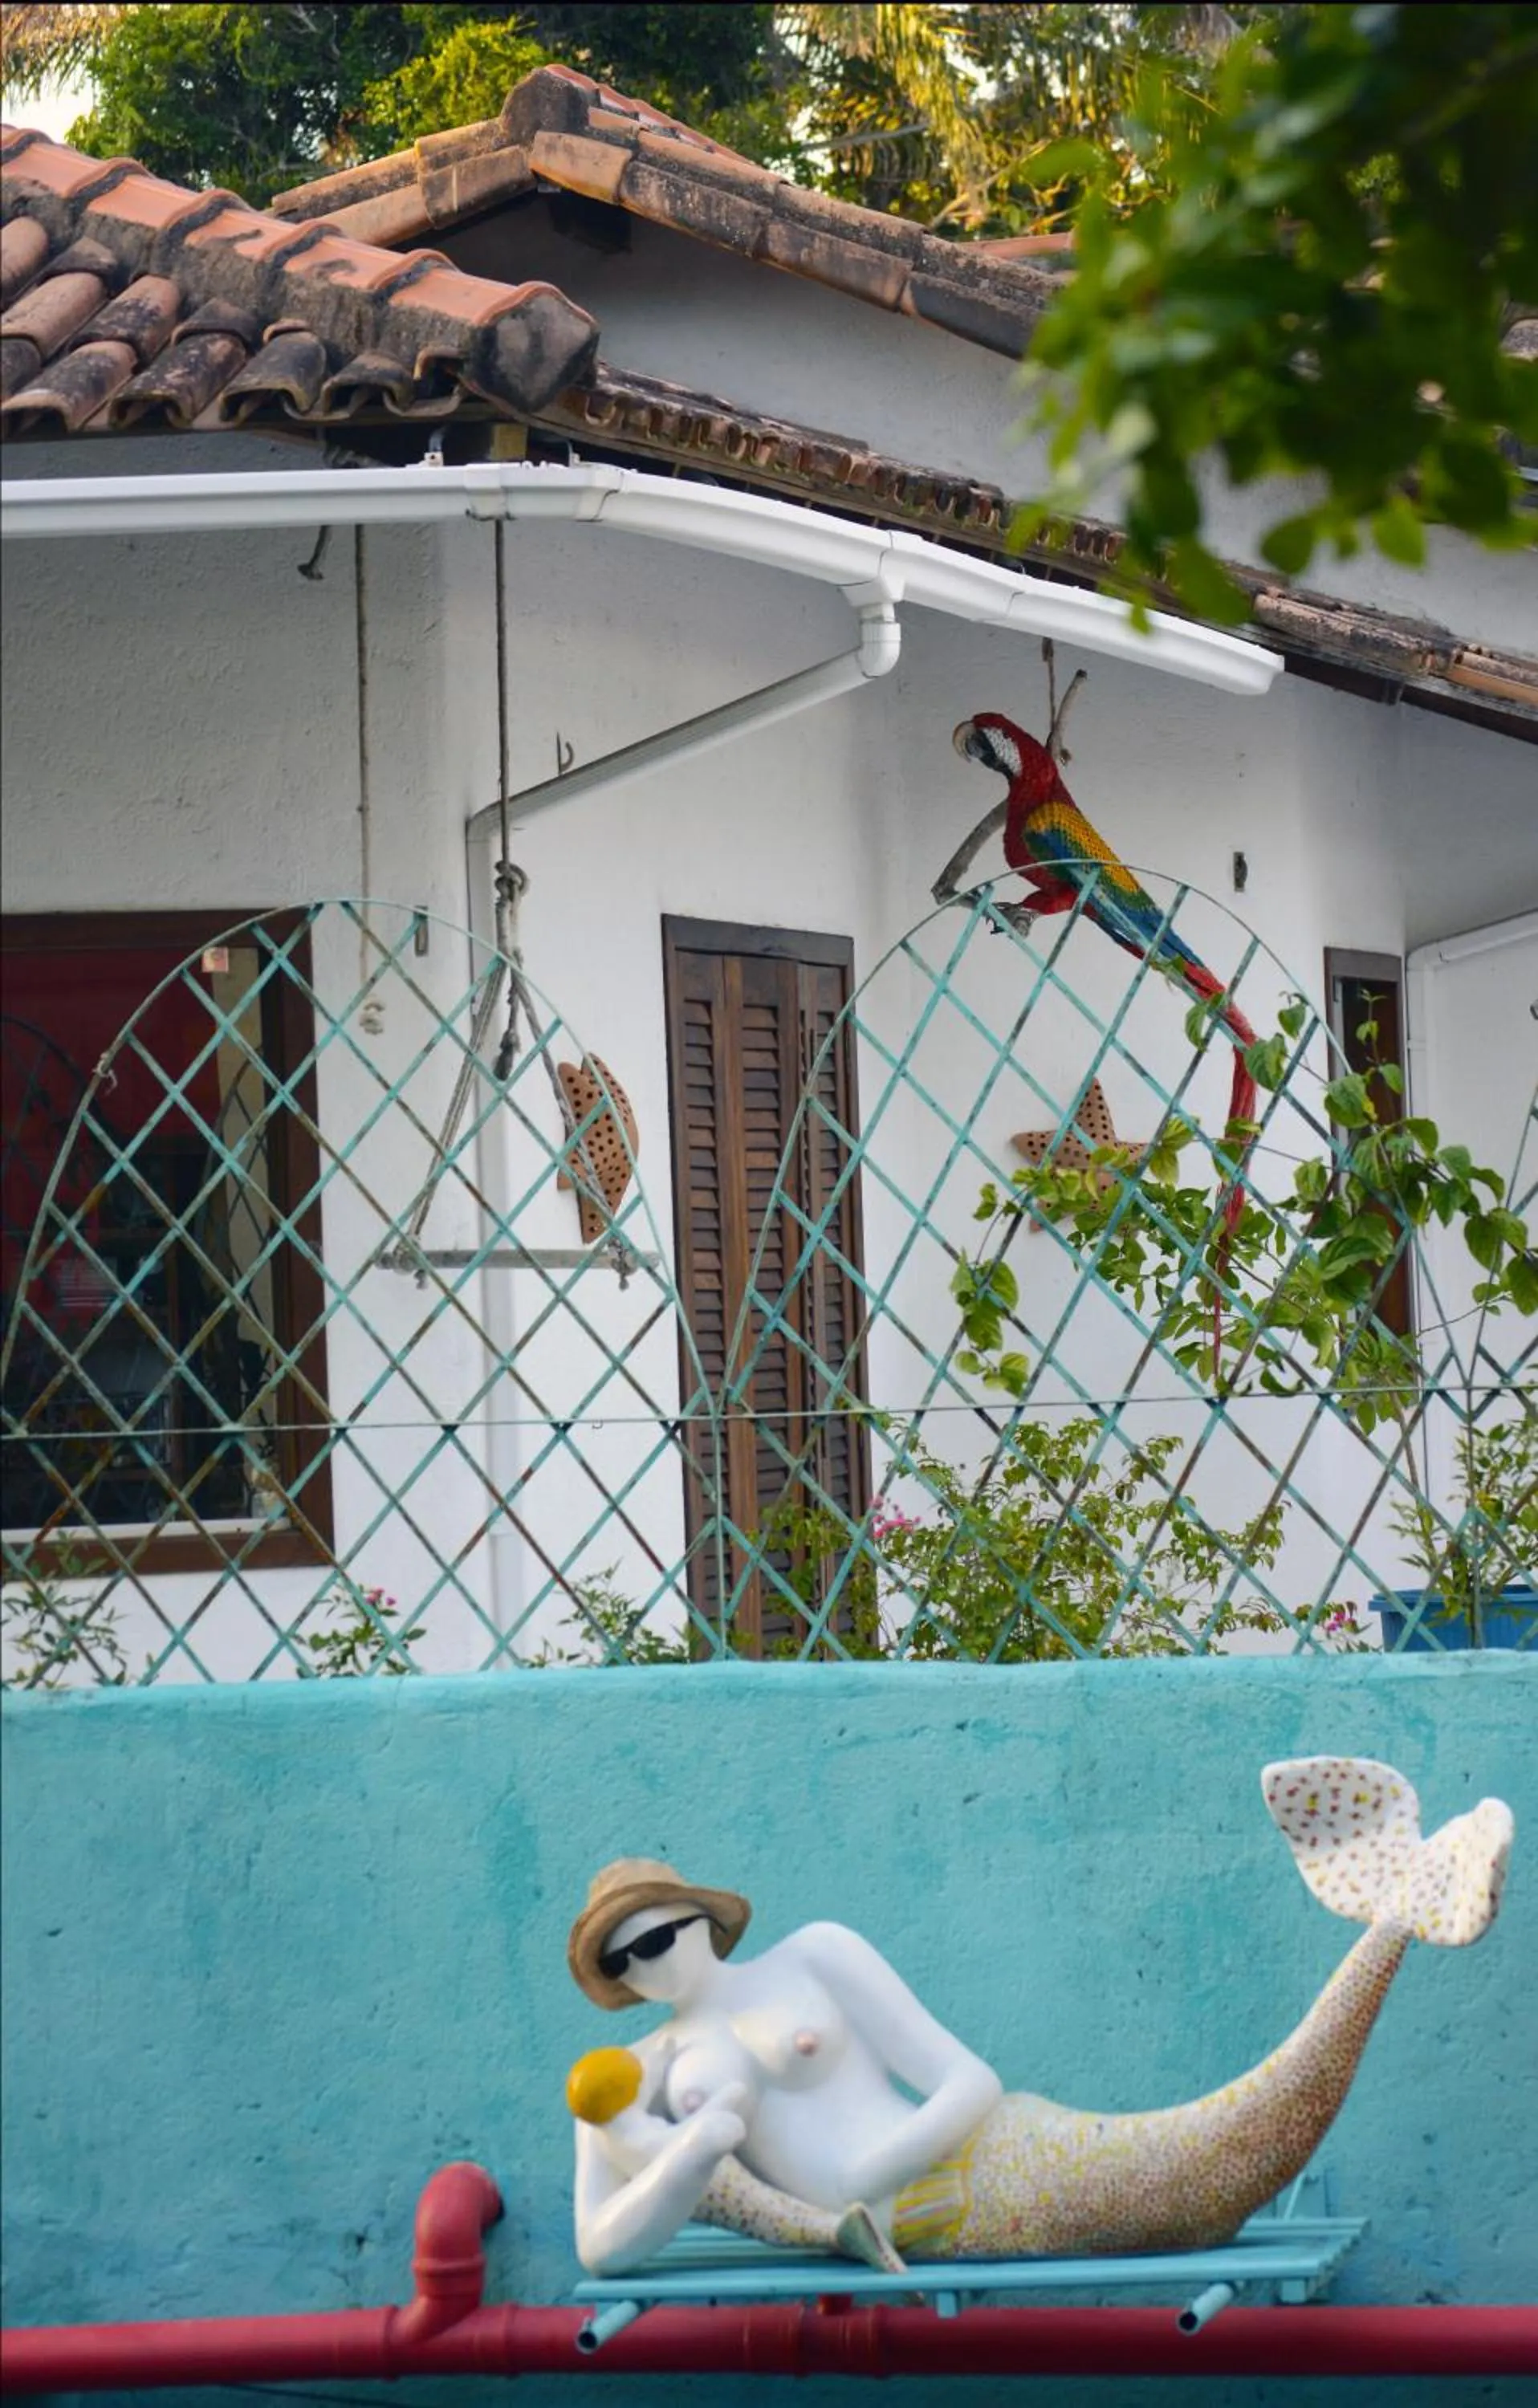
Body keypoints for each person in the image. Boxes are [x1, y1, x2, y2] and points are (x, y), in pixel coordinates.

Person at [567, 1759, 1512, 2276]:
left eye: (657, 1935)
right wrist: (690, 2157)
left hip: (976, 2172)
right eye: (620, 1959)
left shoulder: (811, 1955)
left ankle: (1394, 1918)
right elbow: (599, 2248)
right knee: (1199, 2181)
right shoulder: (630, 2079)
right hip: (913, 2230)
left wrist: (863, 2173)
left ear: (702, 1919)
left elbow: (966, 2080)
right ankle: (1394, 1917)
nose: (646, 1963)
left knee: (1213, 2163)